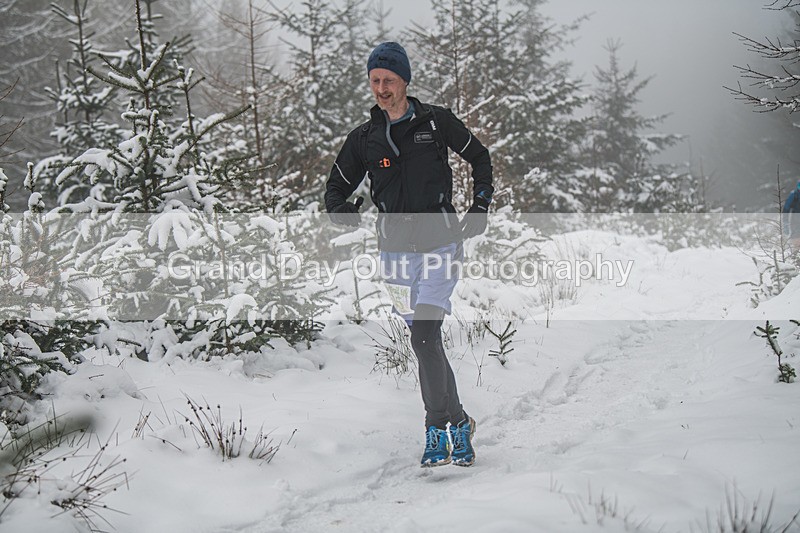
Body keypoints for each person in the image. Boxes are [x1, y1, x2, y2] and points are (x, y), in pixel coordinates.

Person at [325, 42, 493, 467]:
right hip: (395, 256)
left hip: (440, 245)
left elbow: (479, 156)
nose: (381, 88)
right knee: (426, 343)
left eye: (389, 80)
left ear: (405, 81)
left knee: (423, 335)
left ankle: (438, 429)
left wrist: (480, 206)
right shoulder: (364, 139)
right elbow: (334, 190)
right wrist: (342, 211)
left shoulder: (435, 122)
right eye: (375, 80)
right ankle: (460, 420)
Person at [784, 180, 800, 251]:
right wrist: (785, 223)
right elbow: (786, 209)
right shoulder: (794, 195)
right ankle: (796, 257)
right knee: (796, 240)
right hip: (795, 220)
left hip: (795, 219)